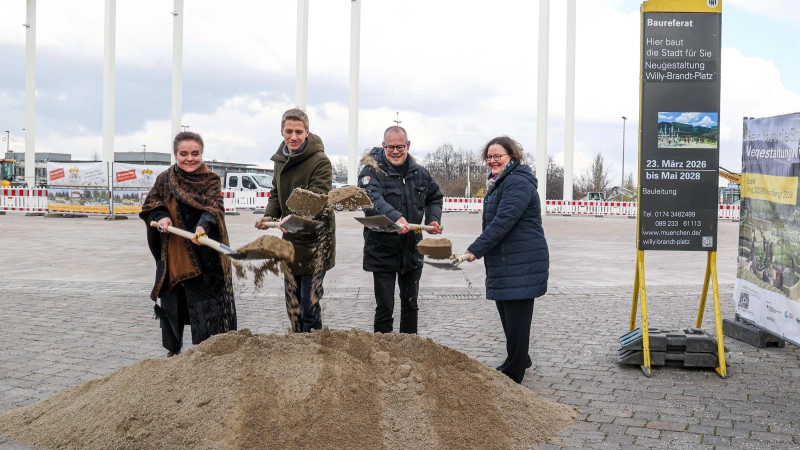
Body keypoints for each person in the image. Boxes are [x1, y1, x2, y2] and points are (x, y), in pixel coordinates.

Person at [458, 136, 548, 384]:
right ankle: (520, 357)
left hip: (522, 260)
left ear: (512, 157)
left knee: (517, 319)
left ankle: (514, 371)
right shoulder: (499, 182)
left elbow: (503, 222)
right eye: (489, 157)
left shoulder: (517, 183)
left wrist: (475, 249)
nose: (493, 161)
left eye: (498, 156)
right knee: (507, 316)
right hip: (506, 259)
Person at [140, 131, 237, 357]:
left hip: (206, 260)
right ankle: (173, 355)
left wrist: (202, 227)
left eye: (195, 153)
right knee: (173, 307)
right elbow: (151, 204)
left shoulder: (211, 180)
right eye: (184, 154)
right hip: (174, 257)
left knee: (206, 317)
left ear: (201, 154)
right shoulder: (164, 179)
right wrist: (162, 215)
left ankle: (206, 357)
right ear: (176, 154)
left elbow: (213, 208)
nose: (189, 158)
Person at [255, 108, 335, 333]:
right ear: (281, 131)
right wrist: (270, 215)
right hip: (290, 241)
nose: (293, 136)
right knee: (293, 305)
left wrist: (293, 217)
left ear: (307, 132)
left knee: (310, 305)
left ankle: (313, 349)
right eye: (288, 131)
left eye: (299, 131)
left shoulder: (320, 161)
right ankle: (296, 348)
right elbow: (275, 192)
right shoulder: (280, 160)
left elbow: (317, 199)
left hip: (316, 241)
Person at [358, 126, 443, 334]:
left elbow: (435, 197)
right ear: (383, 146)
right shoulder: (371, 172)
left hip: (412, 250)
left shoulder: (420, 173)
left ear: (408, 145)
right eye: (390, 147)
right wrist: (396, 217)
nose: (395, 151)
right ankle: (382, 353)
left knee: (411, 306)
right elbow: (371, 200)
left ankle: (409, 352)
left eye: (400, 147)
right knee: (385, 308)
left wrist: (433, 219)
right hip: (382, 250)